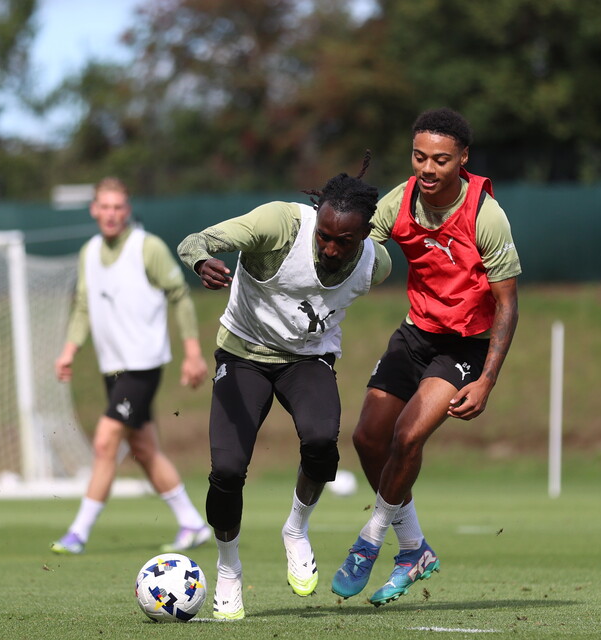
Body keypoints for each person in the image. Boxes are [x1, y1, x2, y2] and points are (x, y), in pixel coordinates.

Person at [176, 155, 391, 620]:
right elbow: (195, 240)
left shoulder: (377, 264)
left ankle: (295, 529)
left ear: (366, 236)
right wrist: (201, 262)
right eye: (325, 237)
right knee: (228, 470)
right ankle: (229, 570)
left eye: (345, 241)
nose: (332, 249)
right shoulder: (279, 224)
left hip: (308, 360)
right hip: (244, 354)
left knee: (320, 441)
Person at [331, 108, 522, 606]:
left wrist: (487, 381)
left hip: (464, 346)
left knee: (408, 434)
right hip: (414, 334)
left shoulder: (486, 215)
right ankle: (414, 548)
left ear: (462, 159)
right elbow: (358, 243)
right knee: (368, 438)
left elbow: (507, 303)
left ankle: (372, 539)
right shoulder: (400, 201)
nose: (428, 169)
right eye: (420, 157)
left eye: (441, 159)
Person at [50, 177, 210, 556]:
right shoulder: (89, 252)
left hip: (143, 364)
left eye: (118, 207)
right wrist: (69, 349)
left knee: (106, 441)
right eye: (104, 207)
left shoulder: (147, 247)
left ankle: (78, 532)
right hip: (113, 367)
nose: (111, 214)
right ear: (94, 210)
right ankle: (191, 523)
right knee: (143, 448)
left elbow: (180, 295)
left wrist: (192, 352)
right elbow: (85, 306)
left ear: (127, 209)